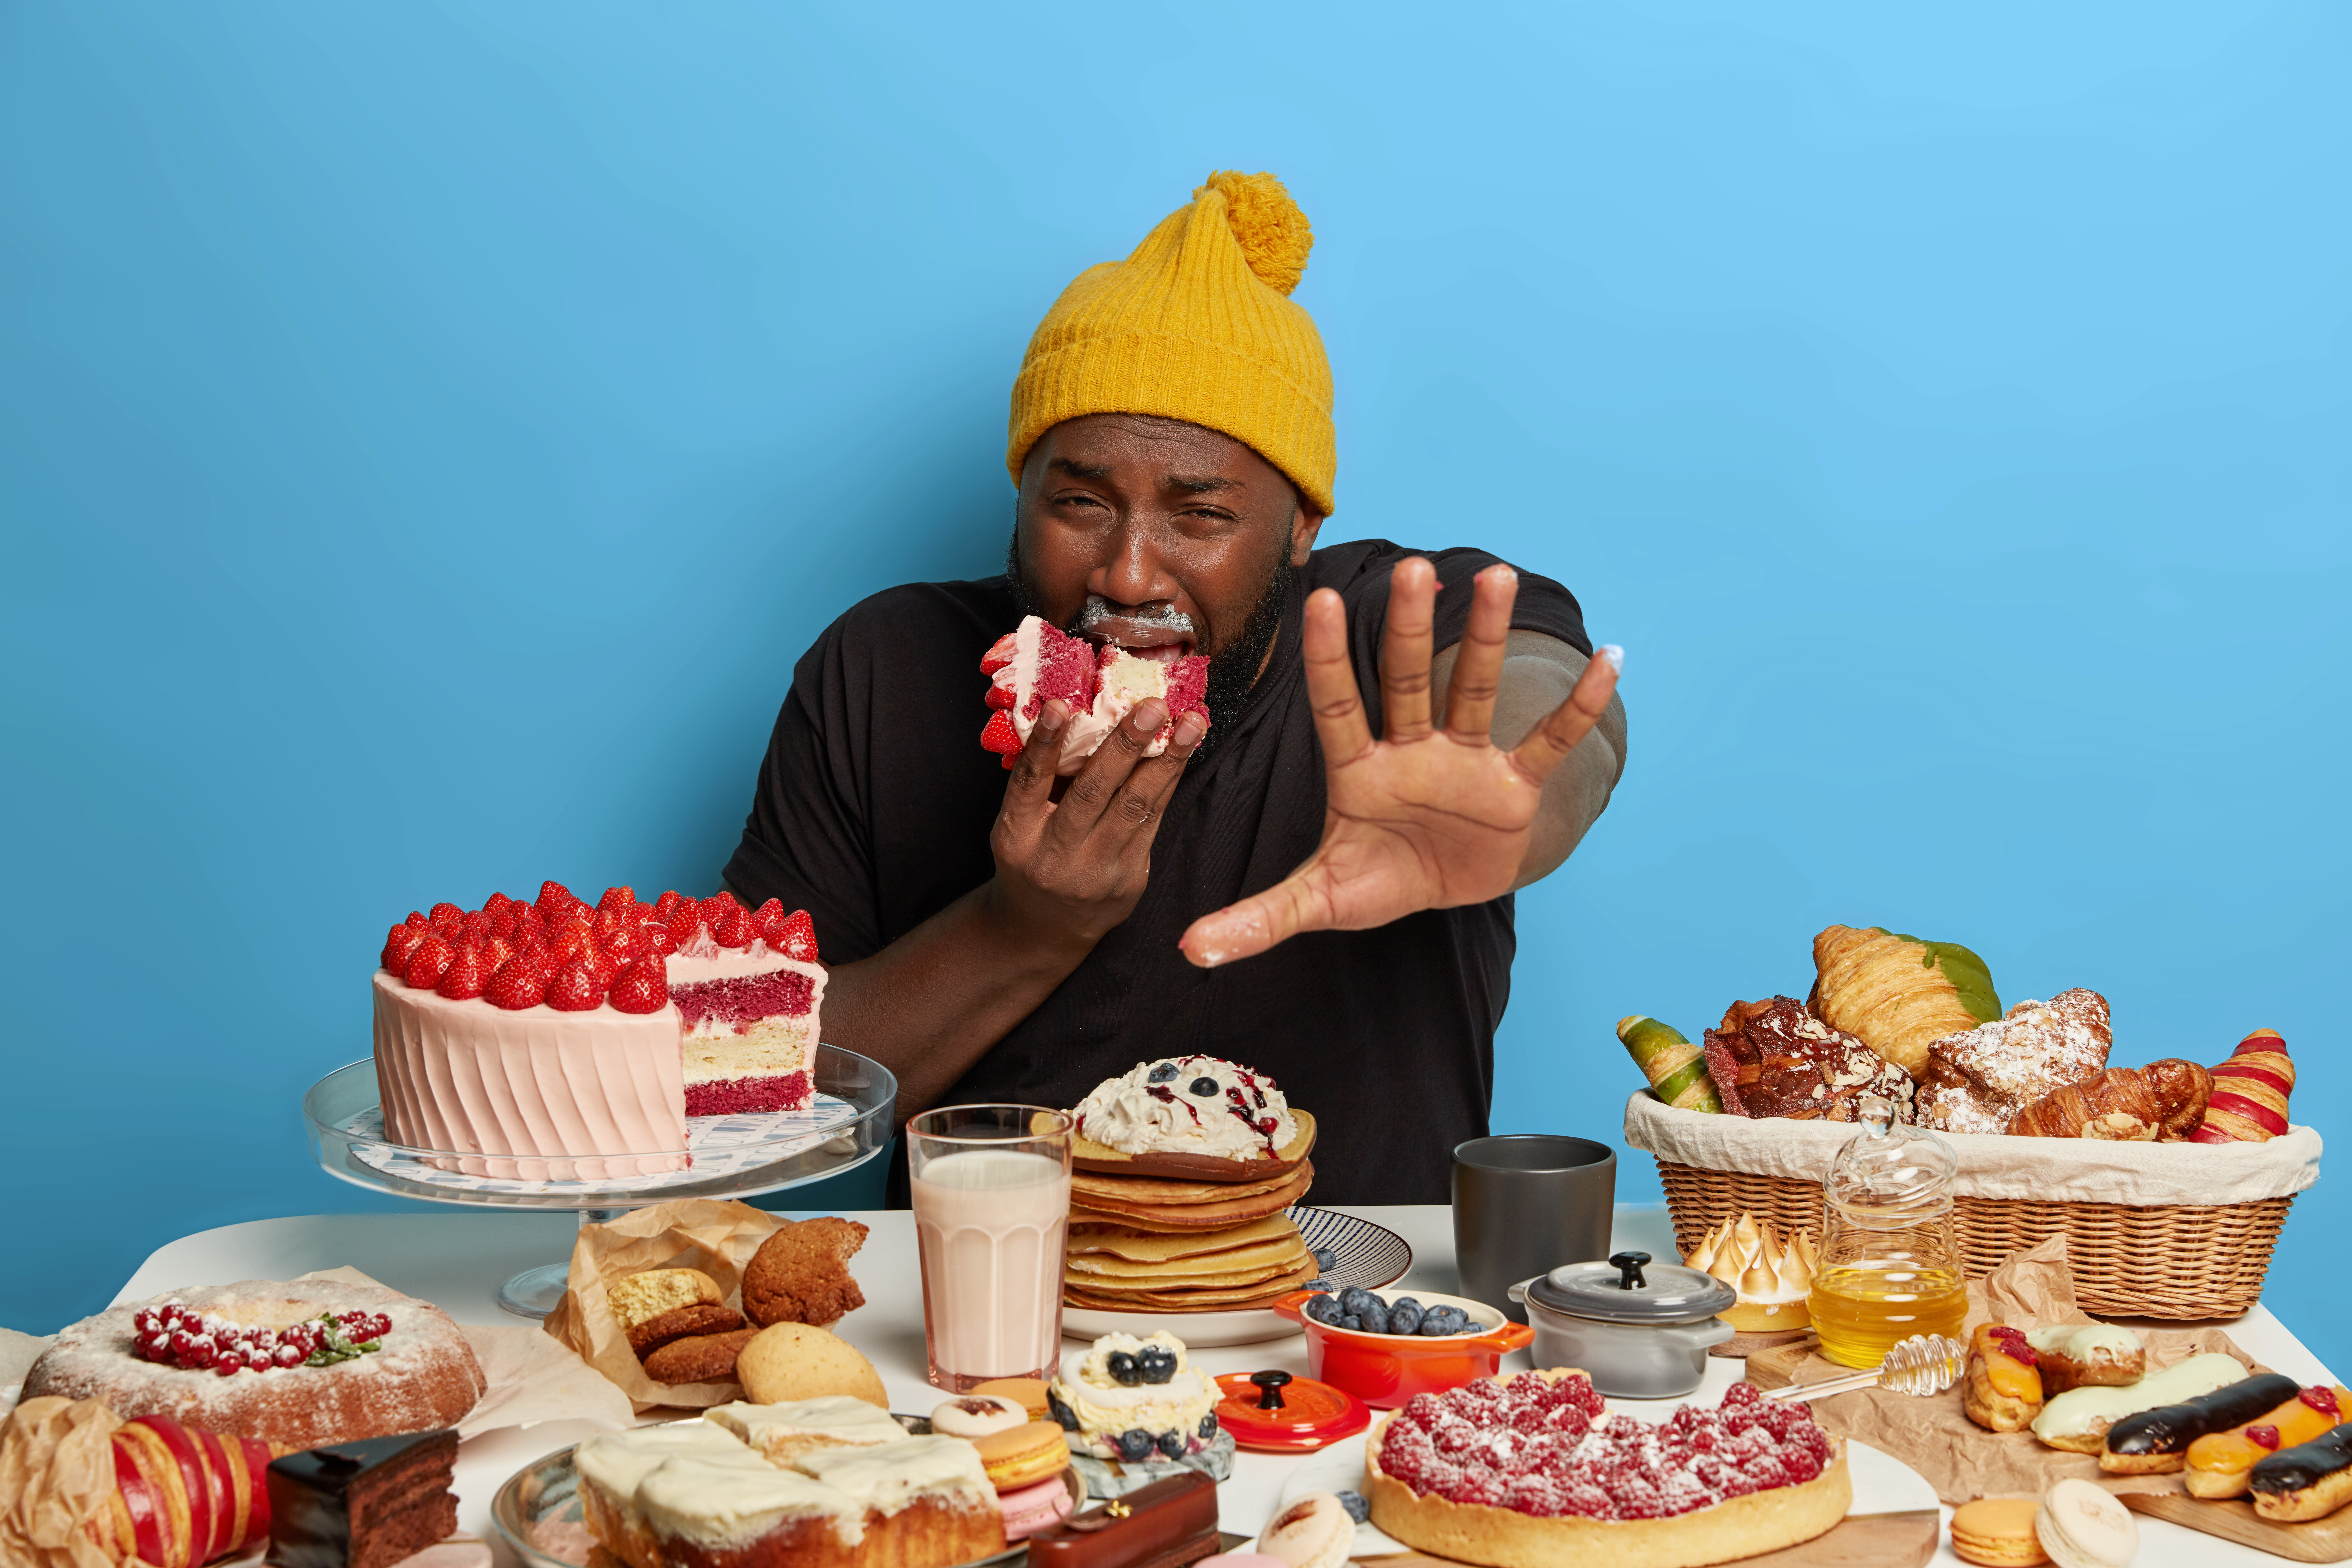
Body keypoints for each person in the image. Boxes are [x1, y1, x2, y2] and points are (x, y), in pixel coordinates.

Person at [723, 172, 1626, 1203]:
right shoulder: (881, 668)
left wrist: (1506, 803)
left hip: (1365, 1311)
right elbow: (759, 1090)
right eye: (1078, 501)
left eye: (1199, 515)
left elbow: (1546, 700)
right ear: (1019, 495)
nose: (1129, 574)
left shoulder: (1385, 627)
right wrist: (1026, 928)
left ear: (1301, 528)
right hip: (998, 1313)